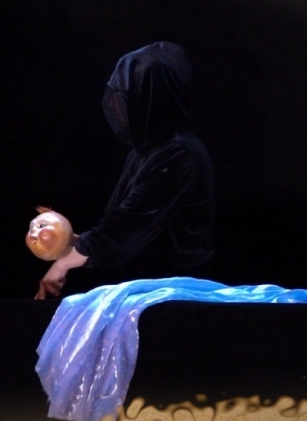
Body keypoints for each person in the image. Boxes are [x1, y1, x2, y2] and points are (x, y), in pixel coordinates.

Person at [35, 41, 215, 299]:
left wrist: (63, 263)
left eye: (128, 99)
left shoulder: (179, 153)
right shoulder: (145, 152)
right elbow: (121, 226)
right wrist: (69, 241)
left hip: (176, 298)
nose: (119, 109)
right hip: (147, 292)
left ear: (151, 99)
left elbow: (128, 227)